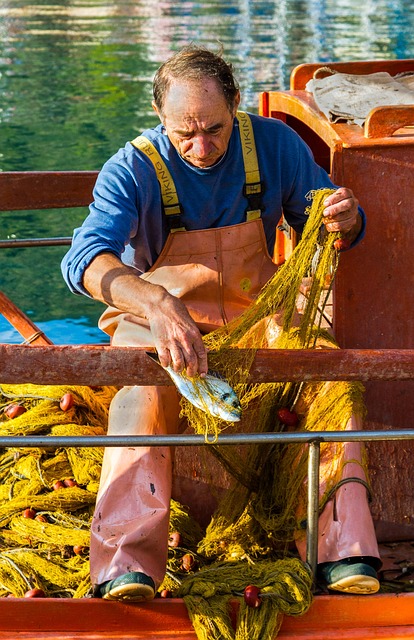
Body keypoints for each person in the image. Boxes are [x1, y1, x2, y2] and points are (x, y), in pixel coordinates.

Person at [61, 44, 381, 601]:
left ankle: (344, 548)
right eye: (185, 133)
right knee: (141, 391)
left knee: (331, 378)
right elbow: (85, 259)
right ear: (160, 117)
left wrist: (347, 219)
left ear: (235, 103)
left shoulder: (276, 146)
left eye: (214, 128)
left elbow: (327, 223)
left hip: (260, 312)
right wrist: (158, 304)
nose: (201, 146)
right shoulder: (132, 167)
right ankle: (125, 565)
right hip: (158, 320)